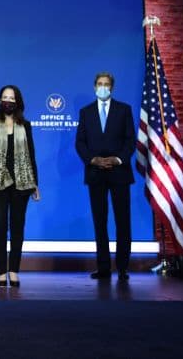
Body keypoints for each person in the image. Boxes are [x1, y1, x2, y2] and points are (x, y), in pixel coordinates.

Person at [75, 71, 136, 282]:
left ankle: (122, 267)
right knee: (99, 222)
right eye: (99, 84)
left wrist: (118, 159)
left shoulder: (124, 110)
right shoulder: (86, 112)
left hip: (119, 172)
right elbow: (80, 143)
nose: (103, 87)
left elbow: (130, 141)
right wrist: (93, 160)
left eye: (106, 84)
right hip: (95, 173)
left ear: (112, 87)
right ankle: (103, 267)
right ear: (94, 87)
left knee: (123, 221)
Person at [0, 85, 40, 287]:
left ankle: (14, 270)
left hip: (22, 184)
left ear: (18, 102)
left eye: (12, 98)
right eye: (5, 97)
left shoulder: (26, 126)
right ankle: (0, 271)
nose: (8, 101)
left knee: (17, 227)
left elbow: (31, 155)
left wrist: (35, 184)